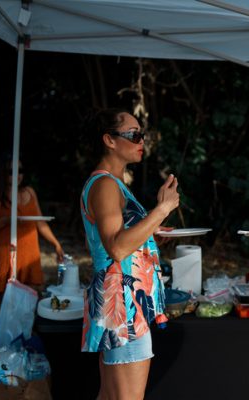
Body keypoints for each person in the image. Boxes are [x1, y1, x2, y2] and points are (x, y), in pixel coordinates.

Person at [80, 108, 179, 400]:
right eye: (134, 134)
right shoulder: (106, 185)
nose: (141, 140)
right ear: (109, 140)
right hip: (124, 303)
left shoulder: (111, 183)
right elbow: (117, 247)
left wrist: (150, 231)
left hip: (122, 301)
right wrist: (162, 210)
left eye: (142, 134)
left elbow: (123, 239)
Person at [0, 155, 65, 319]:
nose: (17, 175)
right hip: (5, 253)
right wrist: (5, 220)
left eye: (21, 170)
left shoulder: (29, 192)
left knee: (29, 296)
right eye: (12, 171)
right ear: (2, 173)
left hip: (29, 253)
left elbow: (40, 223)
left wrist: (56, 244)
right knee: (2, 298)